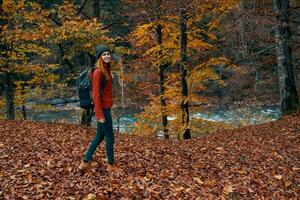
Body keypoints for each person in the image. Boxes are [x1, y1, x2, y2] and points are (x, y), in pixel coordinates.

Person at [78, 45, 116, 172]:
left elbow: (105, 90)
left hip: (106, 108)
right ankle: (111, 165)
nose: (107, 56)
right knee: (110, 136)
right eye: (104, 54)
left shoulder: (106, 70)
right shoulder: (98, 72)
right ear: (100, 57)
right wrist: (99, 115)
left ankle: (85, 162)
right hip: (103, 110)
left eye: (108, 54)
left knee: (100, 136)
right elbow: (95, 94)